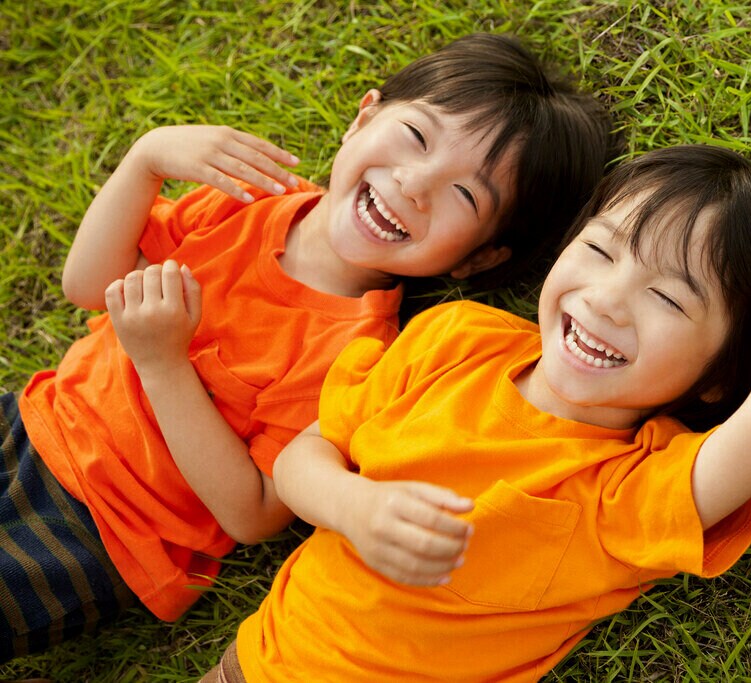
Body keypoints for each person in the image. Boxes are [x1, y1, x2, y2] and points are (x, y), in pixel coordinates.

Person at [0, 33, 612, 661]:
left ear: (479, 257)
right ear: (364, 116)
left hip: (104, 532)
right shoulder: (243, 202)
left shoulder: (357, 351)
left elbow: (253, 513)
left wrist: (163, 364)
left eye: (465, 195)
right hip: (28, 417)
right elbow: (88, 285)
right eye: (417, 137)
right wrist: (146, 159)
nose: (413, 182)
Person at [199, 145, 751, 682]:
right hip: (248, 663)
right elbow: (301, 457)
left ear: (719, 377)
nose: (608, 299)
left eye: (669, 300)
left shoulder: (627, 490)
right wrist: (352, 506)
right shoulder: (454, 337)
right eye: (601, 250)